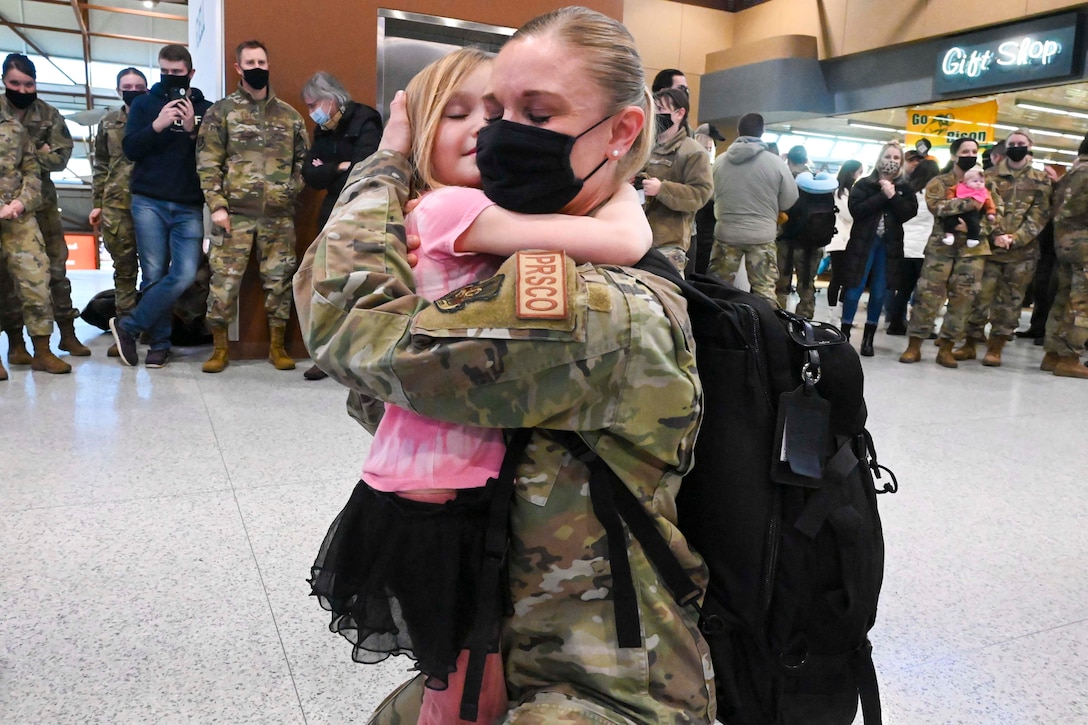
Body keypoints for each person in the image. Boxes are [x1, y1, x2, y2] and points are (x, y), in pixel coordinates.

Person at [295, 7, 715, 722]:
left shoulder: (596, 308)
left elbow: (348, 330)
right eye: (497, 111)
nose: (498, 134)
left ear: (621, 132)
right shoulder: (526, 255)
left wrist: (384, 162)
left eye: (537, 112)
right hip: (496, 635)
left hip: (596, 680)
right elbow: (386, 398)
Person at [197, 40, 308, 374]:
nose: (257, 67)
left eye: (262, 61)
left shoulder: (290, 117)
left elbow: (304, 162)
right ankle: (219, 349)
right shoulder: (221, 113)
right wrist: (217, 207)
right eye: (250, 62)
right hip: (234, 216)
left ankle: (277, 347)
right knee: (223, 284)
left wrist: (290, 190)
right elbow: (207, 163)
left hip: (278, 217)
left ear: (268, 64)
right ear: (238, 68)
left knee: (279, 282)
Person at [110, 43, 212, 368]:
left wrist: (193, 131)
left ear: (191, 74)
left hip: (189, 203)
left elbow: (213, 157)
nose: (170, 79)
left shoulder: (207, 109)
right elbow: (130, 148)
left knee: (183, 274)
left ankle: (128, 326)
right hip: (148, 200)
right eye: (164, 72)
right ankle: (159, 344)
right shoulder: (143, 104)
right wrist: (157, 125)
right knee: (153, 274)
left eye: (177, 74)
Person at [0, 53, 87, 358]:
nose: (22, 90)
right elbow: (46, 155)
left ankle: (66, 332)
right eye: (15, 83)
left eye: (28, 84)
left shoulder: (50, 115)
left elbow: (61, 158)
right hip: (4, 204)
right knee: (7, 276)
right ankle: (15, 343)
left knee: (55, 269)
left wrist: (27, 153)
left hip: (43, 203)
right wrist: (40, 149)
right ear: (4, 81)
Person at [297, 72, 382, 380]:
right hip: (332, 210)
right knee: (325, 281)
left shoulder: (365, 119)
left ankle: (359, 355)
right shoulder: (322, 129)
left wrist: (332, 169)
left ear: (330, 99)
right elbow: (310, 174)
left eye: (313, 104)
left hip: (363, 210)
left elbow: (365, 167)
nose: (311, 112)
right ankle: (326, 355)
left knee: (359, 284)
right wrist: (339, 167)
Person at [954, 129, 1050, 367]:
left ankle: (995, 347)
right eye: (1012, 143)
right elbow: (981, 209)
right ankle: (969, 344)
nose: (1016, 146)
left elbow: (1040, 215)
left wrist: (1015, 238)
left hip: (1023, 254)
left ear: (1029, 147)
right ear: (1005, 148)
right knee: (979, 299)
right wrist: (997, 235)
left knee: (1010, 304)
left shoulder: (1041, 180)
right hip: (989, 250)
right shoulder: (989, 176)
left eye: (1021, 143)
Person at [900, 136, 990, 367]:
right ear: (953, 155)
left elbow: (996, 215)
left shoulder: (985, 182)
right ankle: (914, 346)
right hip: (941, 249)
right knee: (927, 297)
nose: (970, 155)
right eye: (965, 151)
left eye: (974, 151)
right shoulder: (939, 182)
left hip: (972, 252)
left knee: (962, 301)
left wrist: (976, 227)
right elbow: (937, 206)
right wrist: (971, 204)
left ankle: (947, 348)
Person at [0, 96, 69, 377]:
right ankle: (15, 346)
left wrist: (21, 202)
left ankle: (42, 350)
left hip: (19, 216)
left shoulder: (14, 128)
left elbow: (32, 170)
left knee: (36, 281)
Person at [709, 112, 798, 305]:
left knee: (718, 288)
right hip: (762, 236)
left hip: (726, 233)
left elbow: (711, 194)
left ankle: (716, 331)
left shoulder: (720, 161)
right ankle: (763, 332)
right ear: (762, 132)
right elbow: (790, 199)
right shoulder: (776, 163)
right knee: (764, 291)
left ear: (739, 131)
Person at [839, 141, 918, 356]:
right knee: (854, 288)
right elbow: (857, 210)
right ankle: (843, 336)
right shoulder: (864, 184)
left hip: (889, 246)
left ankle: (868, 338)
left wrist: (893, 196)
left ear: (900, 163)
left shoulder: (905, 188)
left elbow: (908, 213)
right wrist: (882, 194)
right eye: (888, 157)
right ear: (879, 159)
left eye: (895, 158)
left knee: (879, 291)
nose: (891, 161)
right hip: (863, 243)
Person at [90, 67, 148, 357]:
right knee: (124, 270)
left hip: (151, 200)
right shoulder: (108, 122)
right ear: (118, 90)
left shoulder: (155, 116)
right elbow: (100, 163)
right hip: (116, 205)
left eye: (139, 86)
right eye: (128, 86)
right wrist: (98, 202)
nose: (133, 90)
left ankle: (151, 328)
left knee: (155, 271)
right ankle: (124, 331)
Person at [638, 87, 712, 274]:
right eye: (654, 110)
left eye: (661, 110)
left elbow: (700, 194)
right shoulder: (646, 148)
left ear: (679, 113)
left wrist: (662, 189)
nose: (656, 115)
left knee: (667, 295)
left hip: (669, 244)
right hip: (639, 238)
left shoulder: (692, 151)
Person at [1041, 133, 1088, 379]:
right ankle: (1071, 358)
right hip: (1085, 248)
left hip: (1064, 244)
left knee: (1062, 299)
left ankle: (1052, 354)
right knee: (1082, 304)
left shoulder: (1070, 174)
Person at [886, 157, 941, 335]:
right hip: (924, 247)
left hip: (905, 245)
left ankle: (895, 323)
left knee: (902, 289)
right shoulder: (934, 195)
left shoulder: (908, 192)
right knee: (924, 292)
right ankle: (921, 326)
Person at [825, 160, 863, 307]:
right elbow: (849, 214)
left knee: (841, 278)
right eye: (859, 172)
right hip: (841, 240)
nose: (860, 175)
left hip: (843, 240)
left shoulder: (840, 190)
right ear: (852, 172)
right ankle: (833, 313)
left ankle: (837, 312)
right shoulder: (841, 192)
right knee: (840, 278)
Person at [941, 167, 996, 248]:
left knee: (974, 223)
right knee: (949, 221)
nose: (978, 184)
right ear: (965, 182)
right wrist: (951, 198)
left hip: (973, 213)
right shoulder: (959, 187)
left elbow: (990, 204)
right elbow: (951, 191)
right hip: (956, 211)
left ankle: (972, 238)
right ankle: (949, 235)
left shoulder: (984, 192)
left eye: (982, 182)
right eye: (975, 181)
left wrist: (990, 213)